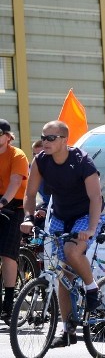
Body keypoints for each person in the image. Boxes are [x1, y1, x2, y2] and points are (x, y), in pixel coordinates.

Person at [20, 121, 105, 348]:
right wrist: (28, 218)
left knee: (71, 250)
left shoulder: (82, 161)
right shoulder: (40, 161)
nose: (45, 142)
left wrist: (90, 229)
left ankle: (92, 288)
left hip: (87, 214)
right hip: (60, 215)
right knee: (63, 275)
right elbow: (29, 195)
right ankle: (68, 331)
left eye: (51, 138)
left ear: (64, 140)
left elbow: (96, 199)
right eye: (43, 137)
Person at [0, 119, 28, 324]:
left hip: (14, 206)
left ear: (8, 137)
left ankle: (9, 304)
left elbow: (15, 182)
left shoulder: (17, 155)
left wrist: (2, 202)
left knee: (7, 255)